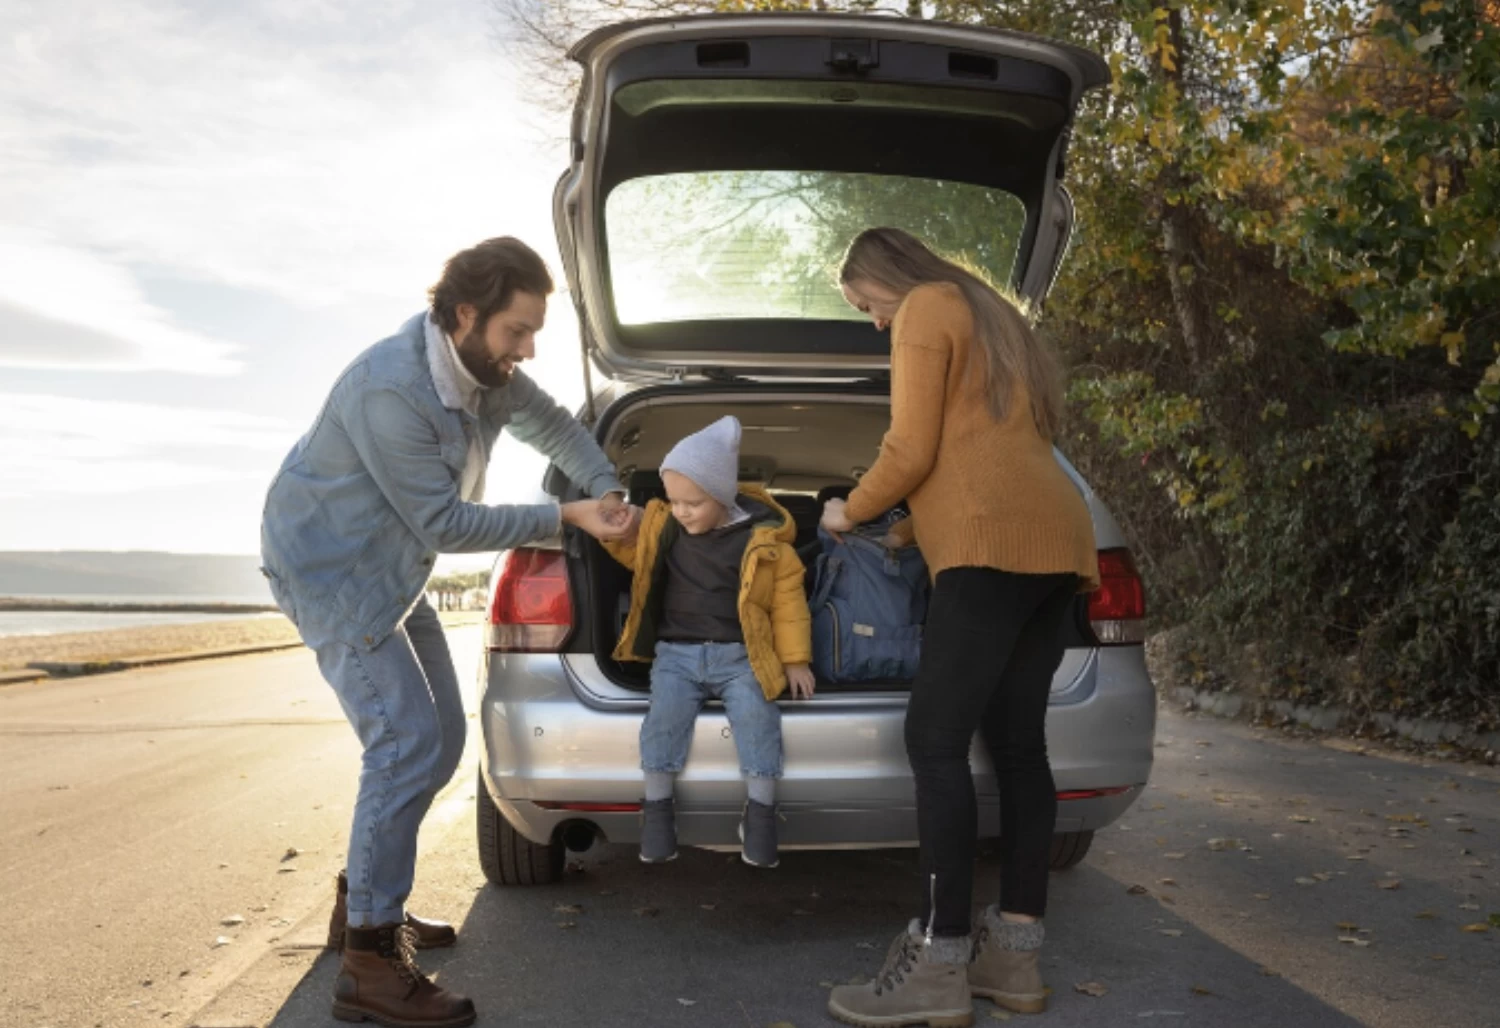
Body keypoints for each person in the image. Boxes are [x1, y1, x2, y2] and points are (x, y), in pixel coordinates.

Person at [259, 237, 638, 1028]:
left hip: (393, 565)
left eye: (535, 331)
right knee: (403, 744)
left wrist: (605, 489)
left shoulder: (485, 370)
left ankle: (365, 901)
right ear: (467, 315)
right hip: (333, 573)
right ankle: (367, 961)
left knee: (441, 740)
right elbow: (445, 520)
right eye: (517, 331)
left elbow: (558, 428)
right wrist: (566, 514)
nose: (527, 349)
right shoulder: (389, 390)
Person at [822, 228, 1100, 1026]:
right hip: (1054, 546)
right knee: (1018, 749)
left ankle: (939, 967)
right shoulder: (994, 317)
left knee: (935, 744)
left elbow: (910, 449)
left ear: (885, 279)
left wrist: (853, 509)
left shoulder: (923, 307)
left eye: (866, 305)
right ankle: (1013, 958)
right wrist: (912, 532)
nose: (875, 322)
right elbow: (985, 457)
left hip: (988, 555)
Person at [601, 415, 815, 869]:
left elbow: (788, 604)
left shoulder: (765, 541)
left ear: (720, 495)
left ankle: (759, 816)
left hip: (742, 658)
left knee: (760, 721)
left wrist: (795, 660)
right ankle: (657, 813)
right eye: (673, 501)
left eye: (692, 503)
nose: (680, 510)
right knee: (662, 723)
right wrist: (610, 529)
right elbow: (633, 555)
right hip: (675, 657)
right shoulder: (667, 529)